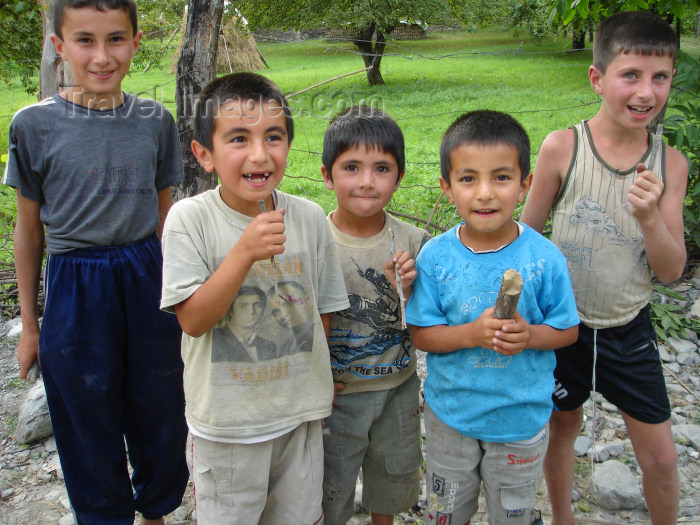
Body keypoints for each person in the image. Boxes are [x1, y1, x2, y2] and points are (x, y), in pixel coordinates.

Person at [2, 0, 189, 523]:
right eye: (85, 40)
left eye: (116, 39)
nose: (102, 56)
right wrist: (32, 327)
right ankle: (104, 516)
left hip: (146, 275)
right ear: (59, 45)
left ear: (135, 40)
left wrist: (174, 296)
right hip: (74, 283)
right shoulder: (33, 126)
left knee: (160, 407)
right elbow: (28, 231)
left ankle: (156, 509)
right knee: (85, 416)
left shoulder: (154, 120)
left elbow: (164, 218)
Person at [520, 11, 688, 525]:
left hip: (627, 329)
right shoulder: (561, 148)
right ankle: (563, 518)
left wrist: (650, 219)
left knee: (660, 456)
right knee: (562, 429)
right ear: (597, 78)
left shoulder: (671, 164)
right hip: (563, 327)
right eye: (630, 75)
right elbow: (525, 239)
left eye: (660, 77)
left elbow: (671, 269)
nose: (645, 92)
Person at [160, 72, 350, 525]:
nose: (260, 155)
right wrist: (244, 251)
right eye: (239, 139)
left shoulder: (307, 218)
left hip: (298, 416)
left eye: (274, 137)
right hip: (227, 427)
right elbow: (193, 320)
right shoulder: (190, 220)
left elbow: (320, 314)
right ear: (204, 154)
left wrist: (321, 382)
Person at [406, 110, 580, 525]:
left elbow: (568, 329)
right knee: (446, 512)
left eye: (501, 178)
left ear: (525, 185)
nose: (485, 193)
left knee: (513, 514)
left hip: (520, 418)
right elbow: (422, 334)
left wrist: (530, 336)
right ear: (447, 188)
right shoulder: (436, 257)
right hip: (452, 417)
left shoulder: (543, 258)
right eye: (468, 179)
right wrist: (469, 333)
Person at [320, 107, 430, 525]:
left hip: (398, 390)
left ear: (399, 177)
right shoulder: (315, 239)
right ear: (328, 176)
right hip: (336, 398)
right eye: (351, 167)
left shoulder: (413, 241)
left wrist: (407, 290)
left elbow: (426, 323)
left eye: (381, 168)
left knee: (393, 480)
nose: (367, 181)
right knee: (331, 488)